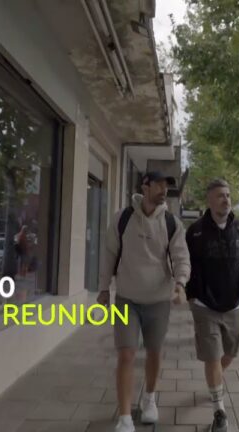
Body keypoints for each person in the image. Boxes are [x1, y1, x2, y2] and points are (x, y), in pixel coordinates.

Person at [97, 172, 191, 432]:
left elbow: (181, 257)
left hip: (159, 300)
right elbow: (109, 255)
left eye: (166, 186)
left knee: (154, 352)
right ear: (145, 186)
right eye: (159, 184)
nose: (163, 190)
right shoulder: (123, 218)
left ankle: (149, 398)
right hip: (126, 299)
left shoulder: (171, 223)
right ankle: (125, 416)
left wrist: (181, 284)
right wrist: (103, 289)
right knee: (126, 353)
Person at [186, 179, 239, 432]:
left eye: (228, 195)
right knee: (212, 356)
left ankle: (214, 382)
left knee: (228, 354)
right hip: (204, 303)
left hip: (234, 303)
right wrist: (189, 294)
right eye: (220, 195)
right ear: (209, 200)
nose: (226, 200)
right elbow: (185, 264)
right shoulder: (195, 231)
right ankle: (219, 409)